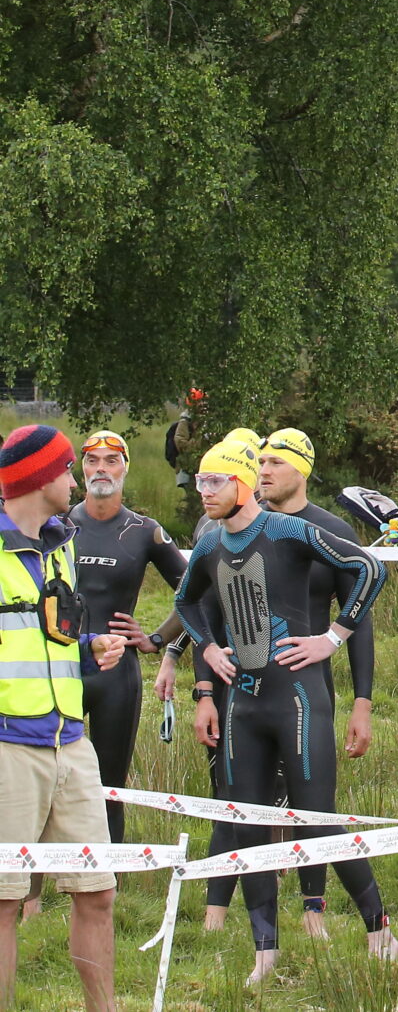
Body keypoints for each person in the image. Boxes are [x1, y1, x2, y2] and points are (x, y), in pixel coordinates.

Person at [174, 435, 394, 980]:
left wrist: (333, 638)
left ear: (242, 484)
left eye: (214, 481)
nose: (204, 492)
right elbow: (184, 601)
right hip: (243, 706)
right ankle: (265, 952)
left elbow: (371, 570)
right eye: (200, 481)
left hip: (299, 697)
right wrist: (205, 647)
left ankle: (379, 928)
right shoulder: (208, 545)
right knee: (247, 824)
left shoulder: (288, 531)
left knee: (318, 822)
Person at [0, 427, 130, 1012]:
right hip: (8, 747)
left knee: (98, 892)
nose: (75, 479)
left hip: (72, 744)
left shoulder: (62, 543)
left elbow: (54, 633)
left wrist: (90, 646)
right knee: (3, 903)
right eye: (66, 468)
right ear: (36, 477)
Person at [247, 428, 390, 935]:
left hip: (309, 688)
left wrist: (363, 703)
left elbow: (361, 617)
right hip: (248, 692)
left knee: (315, 808)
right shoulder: (249, 526)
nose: (263, 471)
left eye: (274, 463)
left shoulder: (331, 529)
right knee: (250, 806)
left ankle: (316, 912)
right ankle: (261, 938)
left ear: (301, 470)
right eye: (259, 462)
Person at [64, 431, 182, 843]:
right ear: (82, 468)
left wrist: (155, 638)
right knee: (48, 778)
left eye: (111, 460)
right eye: (92, 460)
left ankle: (109, 884)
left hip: (118, 675)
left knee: (110, 785)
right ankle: (32, 892)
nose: (100, 469)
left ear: (125, 467)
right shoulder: (58, 526)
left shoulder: (143, 531)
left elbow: (194, 591)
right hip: (63, 666)